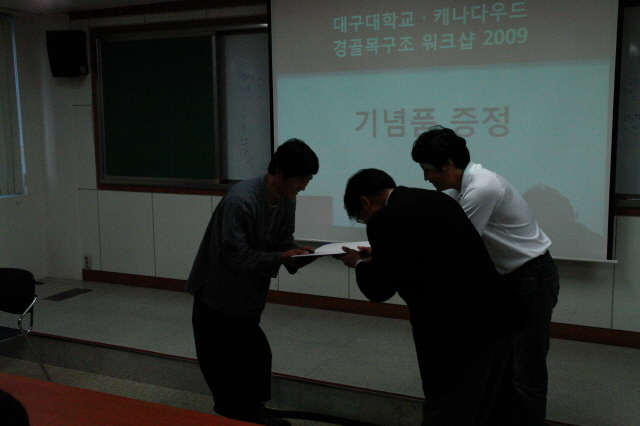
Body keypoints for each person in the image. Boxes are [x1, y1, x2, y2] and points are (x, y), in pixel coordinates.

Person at [335, 168, 520, 426]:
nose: (365, 221)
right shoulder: (437, 199)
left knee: (446, 407)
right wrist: (383, 255)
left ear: (365, 202)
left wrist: (358, 264)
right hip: (497, 315)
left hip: (454, 331)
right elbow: (431, 253)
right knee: (484, 406)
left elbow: (379, 290)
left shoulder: (385, 219)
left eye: (361, 217)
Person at [411, 126, 560, 426]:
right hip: (510, 280)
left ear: (449, 164)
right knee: (504, 368)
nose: (426, 178)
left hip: (530, 279)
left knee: (526, 372)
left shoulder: (482, 188)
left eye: (428, 170)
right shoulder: (460, 188)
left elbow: (456, 247)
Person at [186, 139, 319, 426]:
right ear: (279, 172)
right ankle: (240, 413)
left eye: (308, 180)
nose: (303, 187)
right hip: (216, 295)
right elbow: (235, 256)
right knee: (225, 365)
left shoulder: (287, 198)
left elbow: (283, 239)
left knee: (255, 356)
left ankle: (252, 410)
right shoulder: (241, 200)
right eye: (300, 180)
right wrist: (281, 257)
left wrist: (295, 255)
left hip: (247, 296)